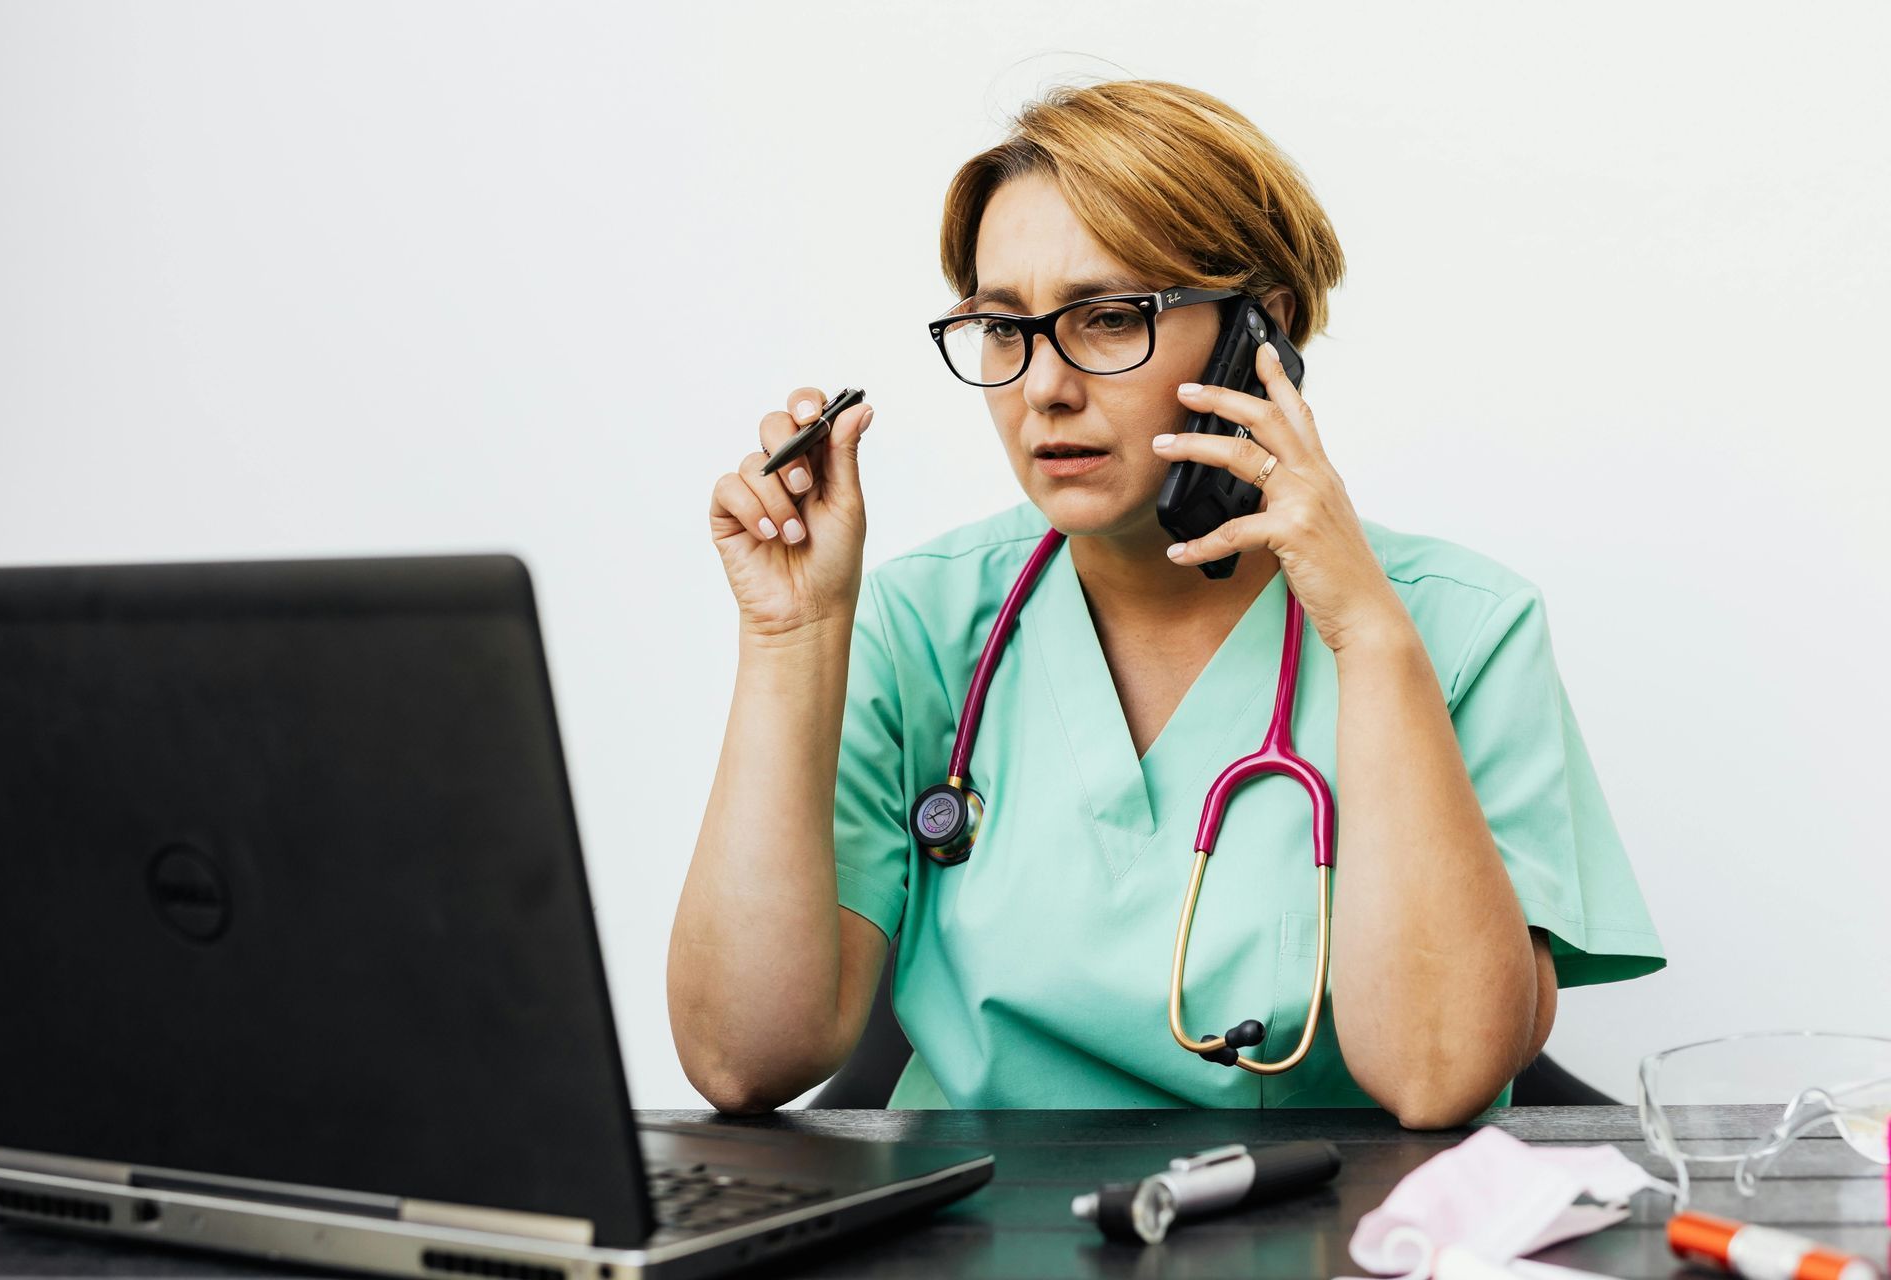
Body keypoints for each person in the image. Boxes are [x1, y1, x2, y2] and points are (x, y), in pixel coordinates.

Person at [669, 78, 1663, 1126]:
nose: (1043, 386)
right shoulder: (922, 623)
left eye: (1107, 319)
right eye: (1002, 330)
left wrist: (1368, 637)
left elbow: (1440, 1075)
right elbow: (743, 1058)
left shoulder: (1463, 627)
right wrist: (793, 635)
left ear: (1261, 336)